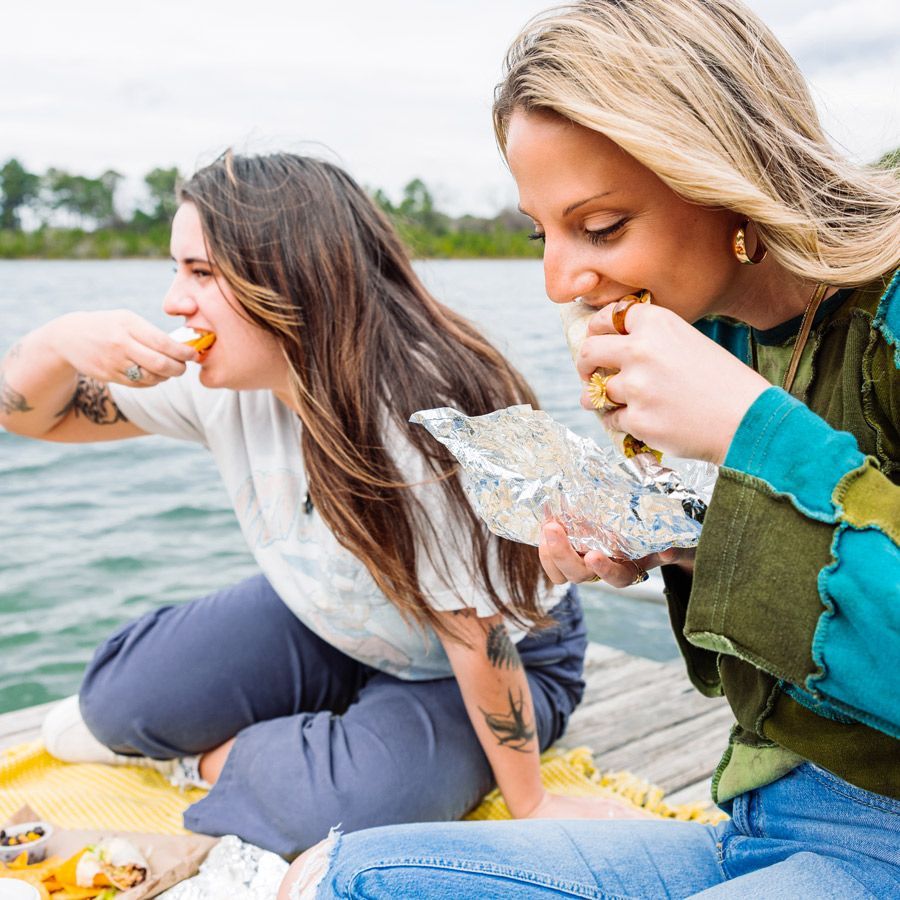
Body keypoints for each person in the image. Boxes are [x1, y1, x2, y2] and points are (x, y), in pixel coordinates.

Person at [277, 0, 900, 896]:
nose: (561, 281)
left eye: (600, 227)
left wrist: (750, 430)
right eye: (544, 233)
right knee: (339, 878)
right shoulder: (725, 329)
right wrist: (675, 540)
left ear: (728, 171)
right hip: (769, 815)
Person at [0, 151, 649, 857]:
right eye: (175, 269)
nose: (174, 301)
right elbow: (37, 415)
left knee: (344, 809)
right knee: (113, 705)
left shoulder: (420, 413)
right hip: (338, 616)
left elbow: (475, 632)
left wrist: (532, 802)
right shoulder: (227, 380)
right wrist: (56, 343)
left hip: (497, 655)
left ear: (292, 275)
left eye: (201, 273)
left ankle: (229, 763)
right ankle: (304, 736)